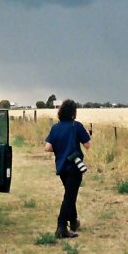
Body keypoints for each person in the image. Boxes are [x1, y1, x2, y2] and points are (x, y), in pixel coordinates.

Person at [44, 99, 91, 238]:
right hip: (74, 166)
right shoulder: (76, 126)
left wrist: (61, 148)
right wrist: (87, 134)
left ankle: (73, 222)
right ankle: (61, 227)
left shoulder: (55, 128)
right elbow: (87, 145)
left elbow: (48, 147)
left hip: (61, 166)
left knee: (69, 194)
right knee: (70, 197)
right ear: (73, 112)